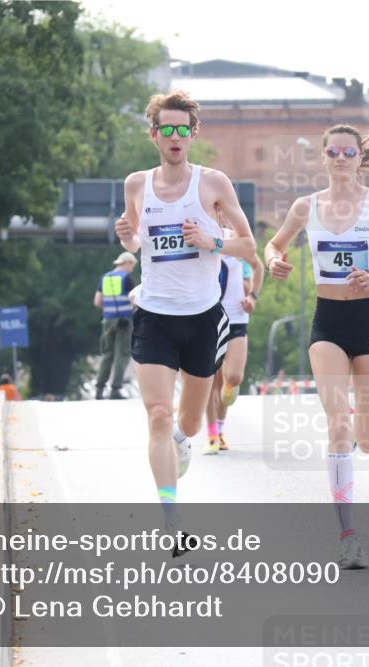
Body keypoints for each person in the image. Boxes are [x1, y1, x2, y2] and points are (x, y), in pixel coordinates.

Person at [264, 124, 369, 569]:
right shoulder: (305, 206)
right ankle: (348, 535)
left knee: (367, 441)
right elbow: (272, 246)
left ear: (358, 158)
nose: (339, 158)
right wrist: (275, 261)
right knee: (338, 422)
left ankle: (353, 442)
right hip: (328, 323)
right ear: (323, 157)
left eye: (347, 152)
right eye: (331, 152)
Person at [115, 90, 256, 556]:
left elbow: (249, 247)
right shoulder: (137, 184)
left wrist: (213, 239)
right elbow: (140, 244)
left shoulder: (213, 183)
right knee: (157, 414)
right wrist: (129, 239)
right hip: (154, 314)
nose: (175, 138)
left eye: (183, 129)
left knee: (189, 422)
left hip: (202, 318)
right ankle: (172, 521)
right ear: (154, 134)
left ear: (193, 134)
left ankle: (183, 440)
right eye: (166, 129)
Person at [203, 210, 264, 454]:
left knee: (233, 378)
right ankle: (213, 435)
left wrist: (253, 296)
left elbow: (258, 268)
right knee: (210, 382)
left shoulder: (237, 240)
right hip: (206, 317)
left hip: (237, 317)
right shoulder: (196, 235)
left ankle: (219, 425)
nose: (220, 216)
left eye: (222, 211)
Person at [93, 252, 137, 400]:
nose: (132, 268)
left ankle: (99, 389)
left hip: (107, 321)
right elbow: (134, 299)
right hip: (124, 321)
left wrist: (110, 310)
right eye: (132, 265)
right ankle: (115, 389)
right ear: (128, 262)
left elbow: (97, 302)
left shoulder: (104, 278)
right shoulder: (127, 278)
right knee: (122, 355)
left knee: (107, 355)